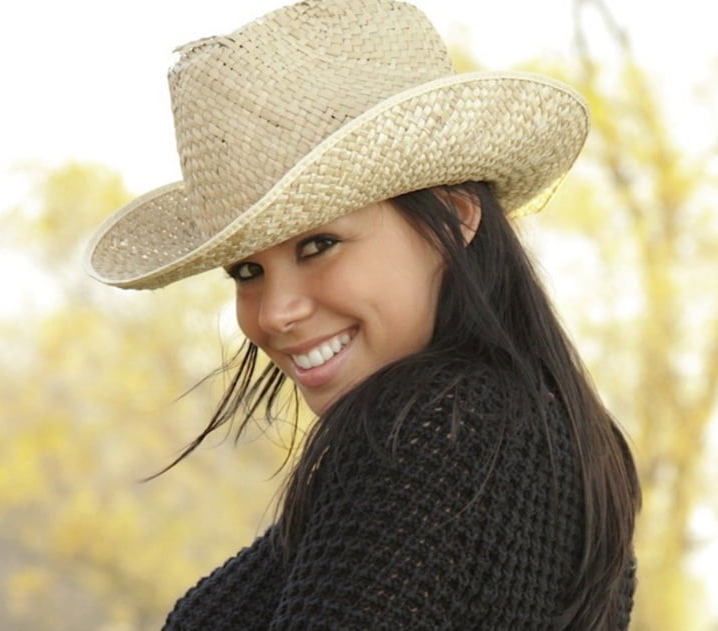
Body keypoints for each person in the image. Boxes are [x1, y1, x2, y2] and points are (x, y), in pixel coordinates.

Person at [84, 0, 641, 628]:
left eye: (318, 245)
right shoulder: (540, 439)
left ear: (454, 220)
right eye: (247, 271)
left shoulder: (437, 435)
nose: (275, 313)